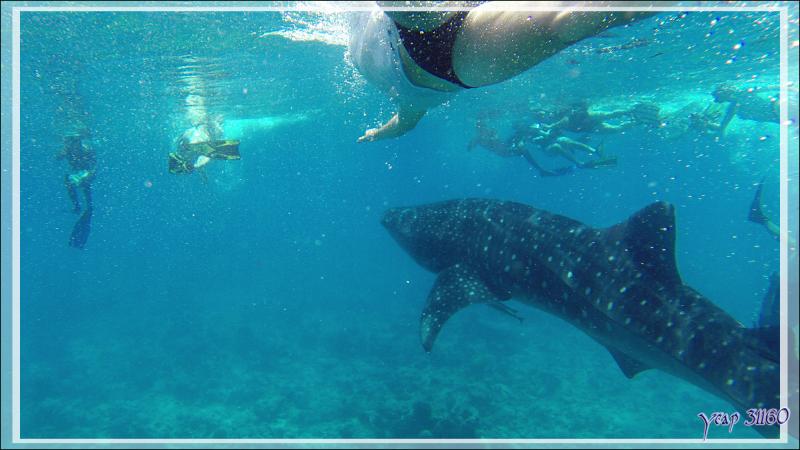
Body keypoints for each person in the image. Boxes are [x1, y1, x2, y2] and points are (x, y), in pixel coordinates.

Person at [349, 2, 655, 142]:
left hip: (444, 58)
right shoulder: (409, 101)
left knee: (564, 21)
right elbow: (402, 124)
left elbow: (403, 124)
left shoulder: (412, 103)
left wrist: (378, 133)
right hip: (443, 52)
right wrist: (380, 132)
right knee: (563, 20)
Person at [56, 131, 95, 248]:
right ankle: (78, 206)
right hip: (76, 173)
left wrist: (87, 175)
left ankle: (87, 208)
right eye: (72, 141)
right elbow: (57, 157)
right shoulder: (68, 149)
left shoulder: (87, 149)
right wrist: (64, 150)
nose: (75, 144)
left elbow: (94, 166)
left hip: (86, 174)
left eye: (76, 141)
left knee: (84, 186)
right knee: (68, 180)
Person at [542, 99, 661, 135]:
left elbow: (564, 121)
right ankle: (638, 121)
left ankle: (631, 110)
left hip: (585, 118)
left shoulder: (558, 119)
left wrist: (549, 126)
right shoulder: (555, 125)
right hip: (587, 127)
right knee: (615, 129)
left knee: (609, 115)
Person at [169, 120, 241, 175]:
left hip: (197, 137)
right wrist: (198, 166)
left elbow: (207, 152)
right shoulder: (195, 138)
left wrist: (198, 166)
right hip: (198, 136)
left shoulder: (194, 139)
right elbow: (206, 152)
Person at [709, 83, 780, 137]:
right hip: (775, 112)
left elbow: (722, 127)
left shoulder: (741, 97)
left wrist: (709, 124)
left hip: (775, 111)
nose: (716, 100)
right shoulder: (735, 104)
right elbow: (722, 127)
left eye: (719, 96)